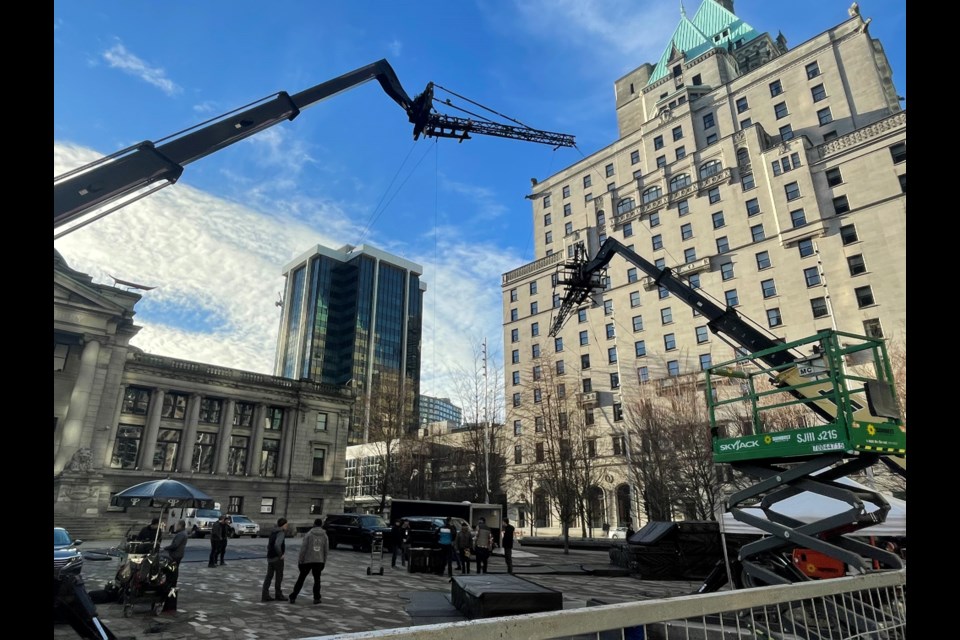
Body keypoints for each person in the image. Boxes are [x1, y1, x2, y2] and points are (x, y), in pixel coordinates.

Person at [289, 518, 329, 605]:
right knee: (317, 580)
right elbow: (326, 550)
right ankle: (317, 598)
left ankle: (293, 596)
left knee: (301, 578)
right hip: (319, 560)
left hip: (307, 560)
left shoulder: (309, 534)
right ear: (321, 525)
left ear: (314, 524)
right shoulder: (325, 535)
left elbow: (303, 548)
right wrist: (324, 561)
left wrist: (301, 560)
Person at [161, 519, 188, 613]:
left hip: (175, 556)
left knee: (172, 574)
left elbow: (175, 545)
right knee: (173, 574)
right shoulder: (183, 533)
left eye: (177, 525)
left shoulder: (181, 534)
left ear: (180, 525)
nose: (176, 527)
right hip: (178, 555)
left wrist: (165, 548)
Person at [262, 517, 290, 602]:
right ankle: (278, 594)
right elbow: (277, 545)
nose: (287, 526)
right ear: (283, 525)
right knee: (279, 576)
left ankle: (265, 594)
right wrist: (280, 554)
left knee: (269, 576)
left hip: (270, 557)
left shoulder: (273, 532)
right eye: (286, 524)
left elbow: (269, 545)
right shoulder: (280, 533)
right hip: (277, 558)